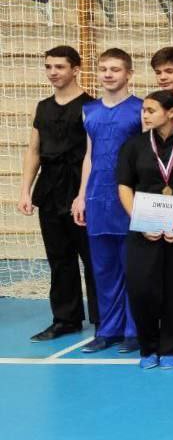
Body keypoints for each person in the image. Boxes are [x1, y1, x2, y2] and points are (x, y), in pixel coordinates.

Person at [115, 90, 173, 368]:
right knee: (142, 288)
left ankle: (171, 349)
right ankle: (148, 347)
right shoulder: (133, 145)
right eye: (143, 110)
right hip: (142, 228)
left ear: (171, 113)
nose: (145, 115)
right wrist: (140, 221)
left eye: (151, 110)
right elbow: (124, 187)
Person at [19, 45, 96, 341]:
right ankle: (66, 319)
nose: (53, 72)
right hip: (50, 189)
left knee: (92, 257)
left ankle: (105, 321)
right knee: (59, 258)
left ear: (75, 69)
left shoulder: (91, 107)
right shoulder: (42, 107)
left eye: (59, 67)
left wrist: (83, 194)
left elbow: (93, 154)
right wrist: (25, 190)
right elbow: (33, 150)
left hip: (80, 188)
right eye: (49, 67)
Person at [73, 48, 142, 352]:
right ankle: (109, 329)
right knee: (103, 269)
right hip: (97, 197)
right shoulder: (88, 110)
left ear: (129, 74)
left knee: (132, 267)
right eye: (103, 69)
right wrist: (81, 195)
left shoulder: (140, 109)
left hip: (128, 199)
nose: (108, 74)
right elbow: (89, 156)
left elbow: (145, 156)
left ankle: (134, 330)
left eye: (115, 69)